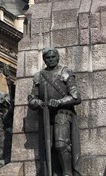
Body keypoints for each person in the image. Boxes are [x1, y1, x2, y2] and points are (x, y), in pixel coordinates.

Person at [28, 48, 81, 176]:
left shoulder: (65, 72)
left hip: (62, 113)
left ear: (57, 58)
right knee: (48, 147)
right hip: (45, 114)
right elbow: (32, 97)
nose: (51, 60)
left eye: (53, 57)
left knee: (61, 144)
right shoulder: (39, 76)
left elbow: (76, 96)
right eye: (48, 58)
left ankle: (67, 173)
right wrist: (38, 103)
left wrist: (59, 102)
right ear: (44, 60)